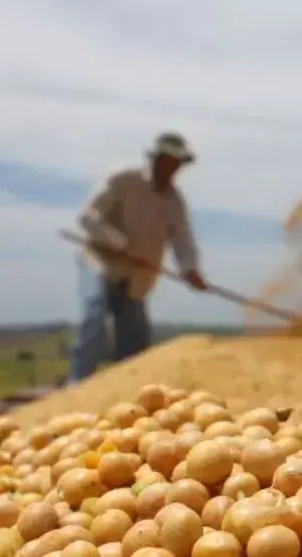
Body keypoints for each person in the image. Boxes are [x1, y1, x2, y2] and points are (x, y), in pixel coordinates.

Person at [67, 131, 209, 382]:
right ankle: (77, 385)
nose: (171, 168)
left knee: (134, 339)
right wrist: (118, 243)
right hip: (101, 260)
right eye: (167, 160)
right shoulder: (124, 179)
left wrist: (191, 270)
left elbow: (183, 240)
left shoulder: (174, 202)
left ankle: (131, 392)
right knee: (95, 315)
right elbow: (88, 218)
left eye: (177, 164)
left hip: (139, 274)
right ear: (156, 158)